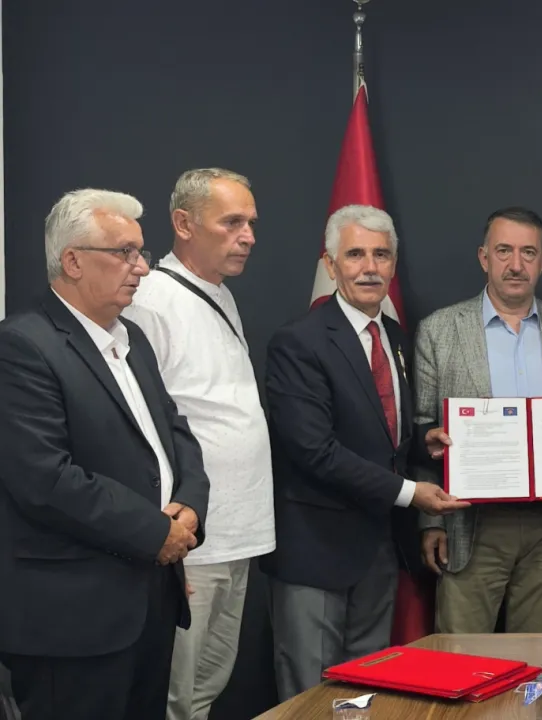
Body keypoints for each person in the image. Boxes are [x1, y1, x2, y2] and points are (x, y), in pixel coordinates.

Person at [0, 188, 211, 720]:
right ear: (72, 261)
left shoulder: (131, 337)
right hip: (74, 621)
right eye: (124, 252)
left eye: (140, 251)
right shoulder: (21, 346)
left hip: (150, 599)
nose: (141, 267)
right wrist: (155, 531)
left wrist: (190, 505)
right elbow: (46, 480)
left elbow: (176, 435)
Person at [261, 204, 468, 700]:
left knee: (363, 693)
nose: (370, 267)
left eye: (381, 254)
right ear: (330, 265)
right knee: (310, 697)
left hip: (377, 550)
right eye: (355, 254)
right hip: (316, 552)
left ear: (394, 264)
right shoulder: (299, 342)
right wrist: (410, 493)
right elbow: (314, 450)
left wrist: (422, 440)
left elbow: (380, 431)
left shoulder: (393, 337)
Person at [122, 168, 274, 720]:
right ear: (184, 224)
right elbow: (141, 425)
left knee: (207, 686)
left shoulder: (221, 295)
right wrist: (165, 540)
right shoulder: (151, 300)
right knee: (175, 693)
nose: (248, 236)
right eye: (231, 222)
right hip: (192, 540)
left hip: (236, 531)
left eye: (250, 223)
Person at [415, 207, 542, 633]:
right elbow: (423, 431)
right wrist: (431, 520)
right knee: (462, 657)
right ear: (484, 257)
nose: (516, 264)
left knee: (539, 656)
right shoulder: (439, 331)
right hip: (469, 524)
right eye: (504, 251)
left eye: (528, 252)